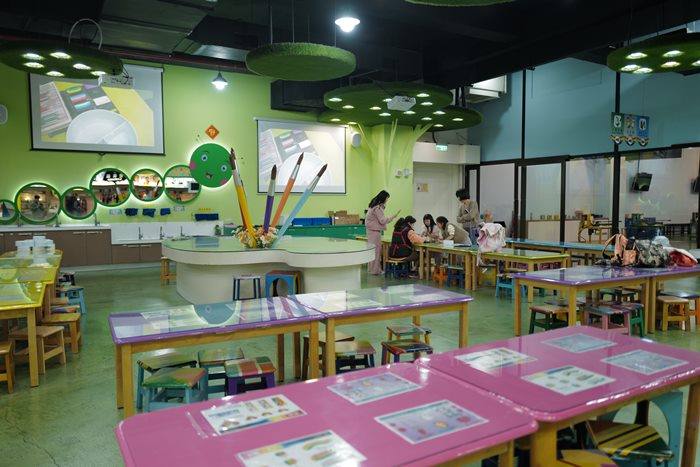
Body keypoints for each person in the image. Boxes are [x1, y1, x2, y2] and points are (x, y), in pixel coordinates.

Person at [365, 190, 399, 275]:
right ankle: (376, 270)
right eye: (387, 198)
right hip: (375, 232)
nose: (387, 200)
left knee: (372, 251)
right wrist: (392, 217)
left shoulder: (373, 206)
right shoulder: (377, 208)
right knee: (376, 252)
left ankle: (372, 269)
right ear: (383, 198)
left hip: (370, 231)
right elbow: (382, 220)